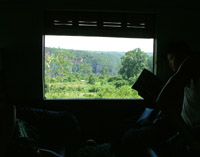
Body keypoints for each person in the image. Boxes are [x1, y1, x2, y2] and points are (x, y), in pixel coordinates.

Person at [110, 40, 200, 157]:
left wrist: (191, 140)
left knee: (130, 136)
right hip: (173, 124)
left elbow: (165, 102)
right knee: (123, 126)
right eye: (169, 61)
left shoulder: (193, 64)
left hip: (184, 129)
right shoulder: (182, 82)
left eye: (172, 59)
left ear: (184, 57)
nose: (170, 64)